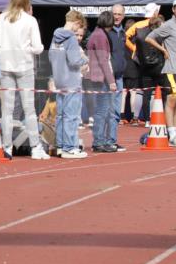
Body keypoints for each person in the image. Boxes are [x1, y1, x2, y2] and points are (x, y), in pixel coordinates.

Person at [0, 0, 47, 161]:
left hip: (5, 65)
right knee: (29, 109)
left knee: (7, 110)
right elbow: (39, 47)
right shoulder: (30, 20)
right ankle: (35, 147)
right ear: (27, 1)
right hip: (24, 66)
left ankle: (7, 146)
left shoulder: (1, 18)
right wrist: (28, 49)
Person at [146, 0, 176, 147]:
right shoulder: (168, 25)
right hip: (172, 69)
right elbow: (149, 38)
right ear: (173, 10)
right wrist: (163, 49)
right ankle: (172, 135)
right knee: (172, 100)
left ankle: (175, 133)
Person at [48, 9, 88, 159]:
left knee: (60, 115)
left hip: (59, 79)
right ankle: (69, 147)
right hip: (71, 79)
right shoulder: (70, 38)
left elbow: (51, 57)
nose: (78, 32)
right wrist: (85, 59)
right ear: (77, 23)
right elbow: (74, 60)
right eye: (79, 27)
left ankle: (60, 145)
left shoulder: (55, 36)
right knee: (71, 115)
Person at [88, 10, 123, 153]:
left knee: (102, 111)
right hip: (101, 78)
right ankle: (99, 141)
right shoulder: (101, 36)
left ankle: (100, 140)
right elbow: (104, 61)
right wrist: (111, 81)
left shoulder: (96, 34)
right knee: (102, 111)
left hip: (98, 77)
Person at [133, 15, 165, 124]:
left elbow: (136, 52)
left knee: (146, 95)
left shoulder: (140, 35)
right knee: (163, 93)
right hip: (159, 68)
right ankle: (161, 118)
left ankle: (147, 119)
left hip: (145, 69)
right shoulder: (160, 36)